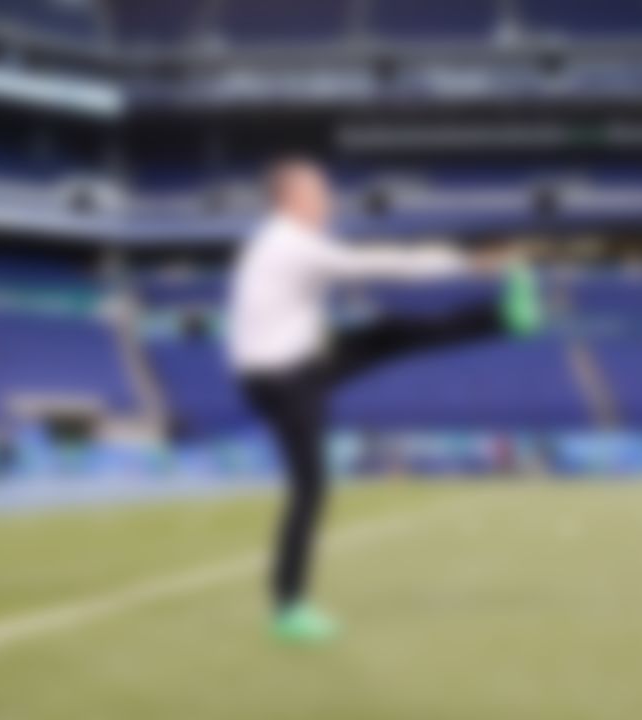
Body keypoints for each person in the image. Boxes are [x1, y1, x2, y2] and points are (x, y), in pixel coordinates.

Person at [227, 157, 545, 645]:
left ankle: (503, 316)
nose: (328, 199)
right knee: (310, 487)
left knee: (393, 334)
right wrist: (467, 260)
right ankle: (288, 607)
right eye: (320, 191)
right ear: (292, 198)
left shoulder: (276, 242)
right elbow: (382, 266)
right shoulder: (293, 244)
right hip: (286, 379)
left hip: (291, 368)